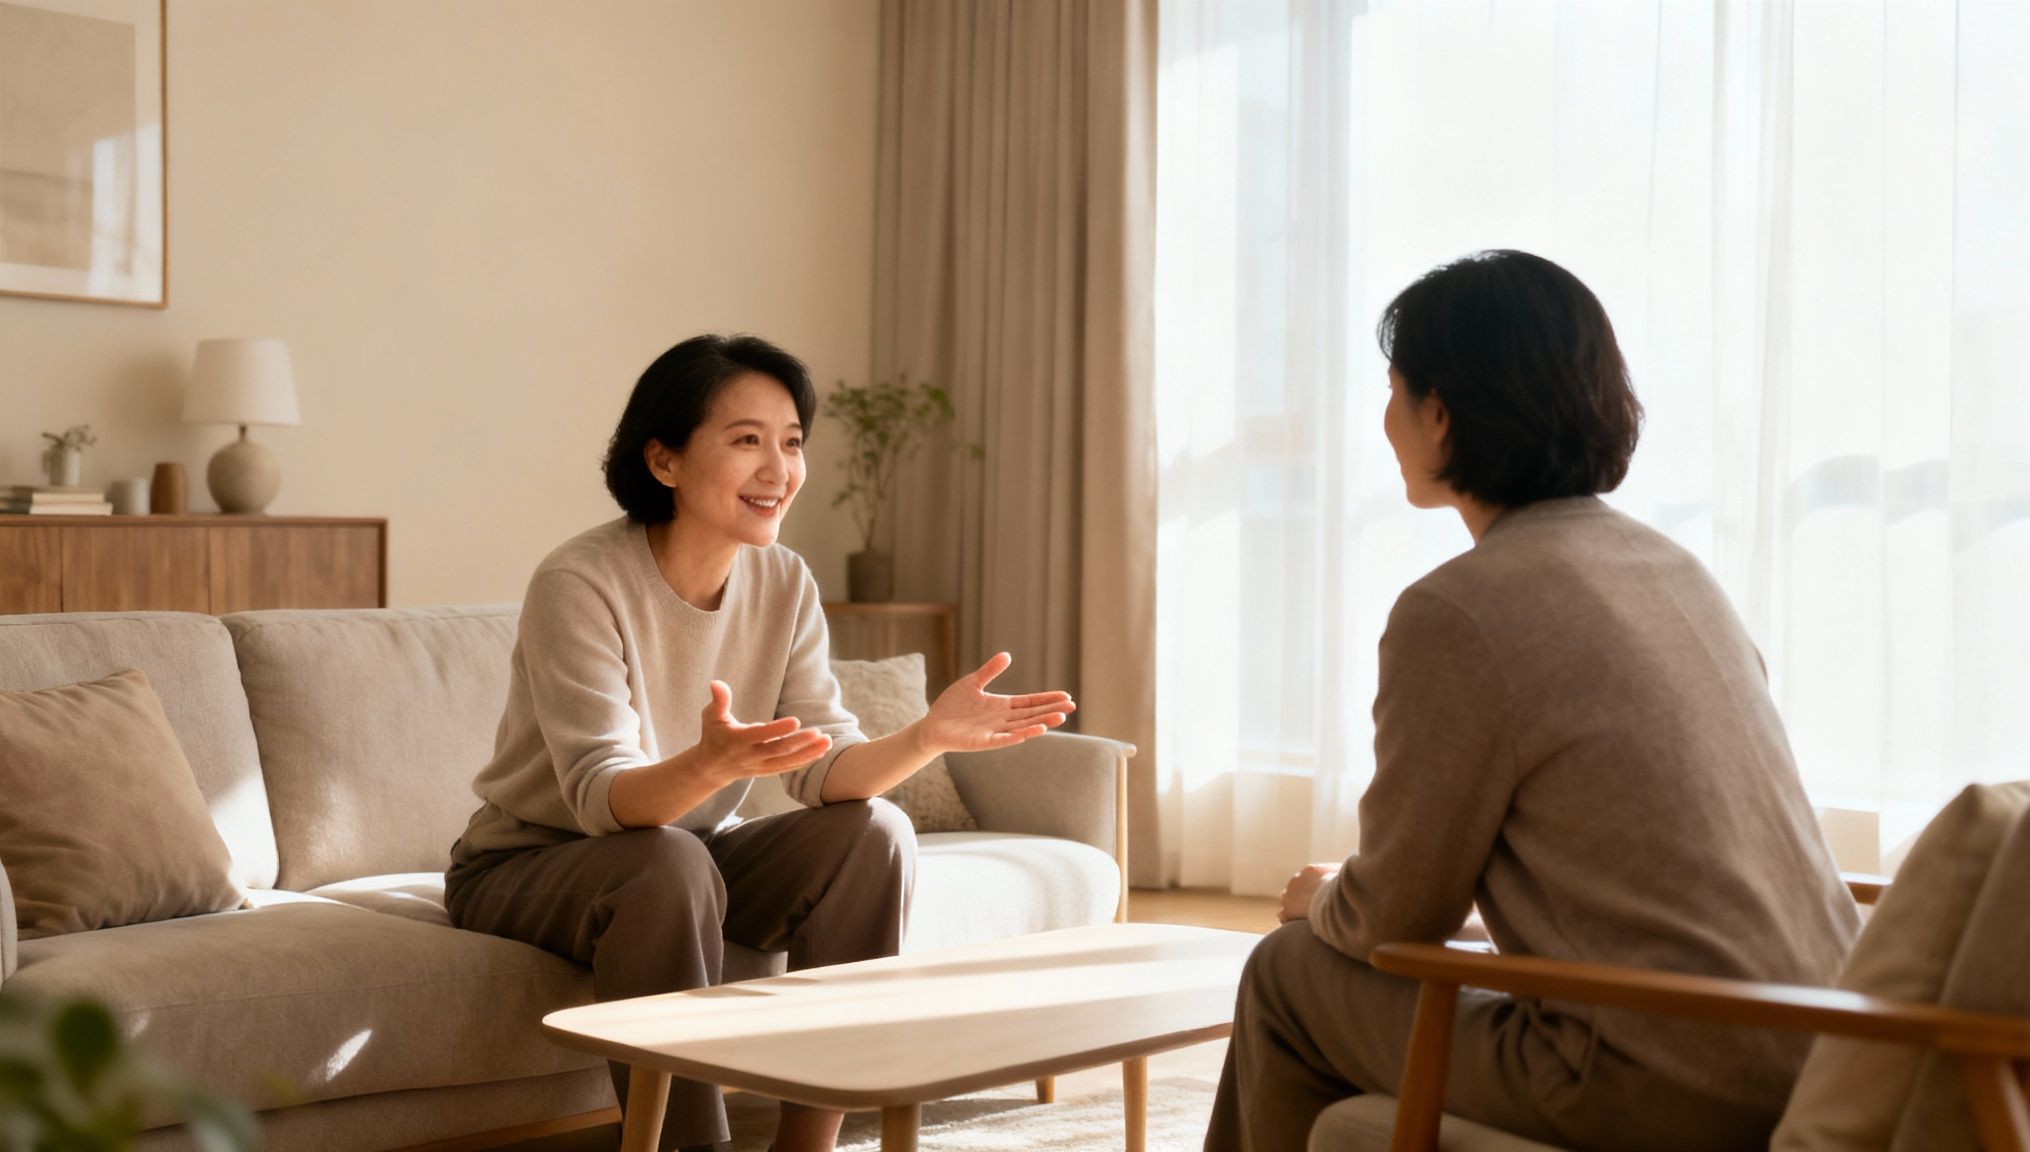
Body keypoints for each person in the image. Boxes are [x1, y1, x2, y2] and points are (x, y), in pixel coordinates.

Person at [1203, 251, 1858, 1152]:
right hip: (1819, 1055)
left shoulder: (1455, 612)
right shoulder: (1678, 574)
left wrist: (1327, 900)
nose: (1385, 420)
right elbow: (1626, 874)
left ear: (1438, 414)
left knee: (1286, 971)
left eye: (1393, 391)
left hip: (1655, 1079)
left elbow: (1393, 912)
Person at [445, 334, 1076, 1152]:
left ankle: (809, 1141)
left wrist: (924, 737)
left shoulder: (785, 581)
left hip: (686, 858)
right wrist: (706, 765)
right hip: (529, 862)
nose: (779, 470)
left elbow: (827, 771)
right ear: (664, 461)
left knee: (872, 833)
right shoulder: (580, 582)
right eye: (747, 441)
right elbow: (604, 799)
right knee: (663, 860)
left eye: (791, 443)